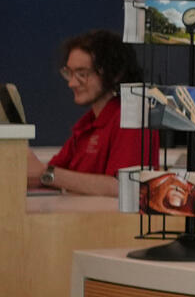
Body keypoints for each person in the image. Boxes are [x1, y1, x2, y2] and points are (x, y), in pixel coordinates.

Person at [26, 30, 155, 196]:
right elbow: (53, 173)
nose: (72, 83)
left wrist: (46, 173)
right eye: (69, 73)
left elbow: (124, 187)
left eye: (82, 74)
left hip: (113, 222)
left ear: (115, 74)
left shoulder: (134, 118)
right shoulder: (87, 123)